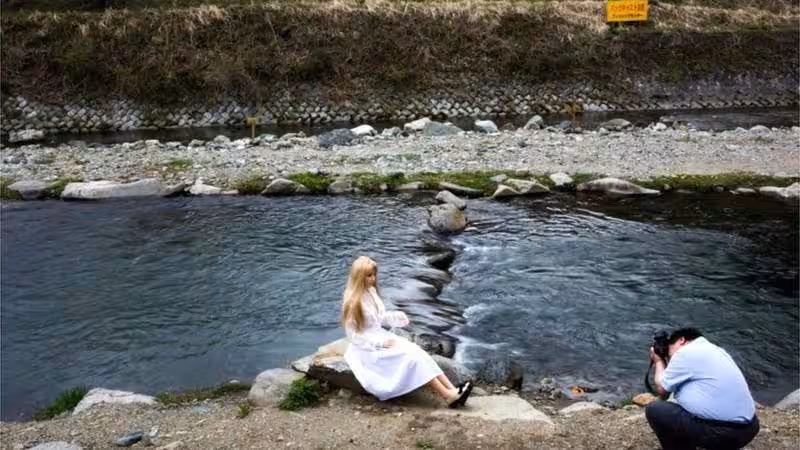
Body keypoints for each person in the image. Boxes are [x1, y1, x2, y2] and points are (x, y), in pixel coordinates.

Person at [341, 256, 472, 408]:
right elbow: (353, 335)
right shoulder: (353, 302)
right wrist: (379, 343)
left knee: (418, 352)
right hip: (367, 347)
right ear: (359, 277)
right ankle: (447, 396)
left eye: (374, 274)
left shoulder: (371, 291)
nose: (373, 279)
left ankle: (453, 389)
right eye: (368, 275)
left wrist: (396, 317)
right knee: (412, 358)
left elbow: (378, 319)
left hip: (381, 336)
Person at [646, 327, 760, 450]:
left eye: (669, 353)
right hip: (750, 427)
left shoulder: (685, 353)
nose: (671, 358)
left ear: (681, 340)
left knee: (656, 409)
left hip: (725, 433)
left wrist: (659, 361)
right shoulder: (716, 350)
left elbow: (662, 390)